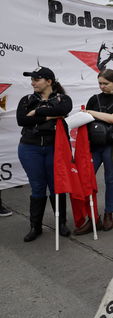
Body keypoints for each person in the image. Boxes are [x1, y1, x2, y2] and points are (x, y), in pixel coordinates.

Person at [17, 66, 73, 242]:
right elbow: (22, 120)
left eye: (36, 79)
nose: (32, 83)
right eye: (31, 80)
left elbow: (62, 110)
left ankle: (61, 223)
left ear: (49, 81)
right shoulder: (26, 99)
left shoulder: (63, 98)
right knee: (38, 186)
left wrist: (38, 112)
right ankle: (36, 227)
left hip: (54, 147)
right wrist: (49, 116)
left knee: (57, 185)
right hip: (30, 147)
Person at [75, 69, 113, 234]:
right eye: (100, 83)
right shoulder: (94, 98)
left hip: (111, 145)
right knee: (86, 180)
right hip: (93, 145)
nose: (102, 86)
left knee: (111, 180)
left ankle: (108, 214)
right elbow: (84, 118)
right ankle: (93, 218)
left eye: (106, 83)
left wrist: (90, 112)